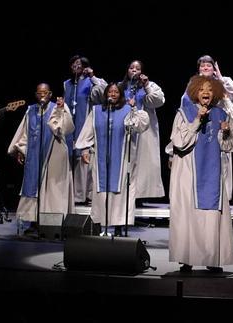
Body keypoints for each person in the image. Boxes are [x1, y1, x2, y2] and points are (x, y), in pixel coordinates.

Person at [168, 75, 233, 273]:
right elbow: (179, 141)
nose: (206, 93)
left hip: (213, 174)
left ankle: (212, 259)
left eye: (210, 89)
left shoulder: (221, 114)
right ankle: (187, 258)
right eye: (202, 89)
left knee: (212, 215)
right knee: (188, 214)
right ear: (195, 92)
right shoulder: (184, 113)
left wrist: (226, 132)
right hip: (188, 173)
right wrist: (197, 120)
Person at [75, 83, 149, 236]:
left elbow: (140, 126)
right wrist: (84, 149)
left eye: (116, 92)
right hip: (100, 159)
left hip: (122, 161)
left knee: (120, 193)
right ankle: (101, 224)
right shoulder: (96, 111)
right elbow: (88, 130)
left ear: (120, 94)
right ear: (106, 93)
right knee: (101, 192)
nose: (113, 94)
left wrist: (134, 109)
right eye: (110, 91)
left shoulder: (128, 110)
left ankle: (119, 226)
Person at [8, 83, 75, 229]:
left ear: (50, 94)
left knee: (51, 188)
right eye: (39, 93)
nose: (42, 95)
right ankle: (32, 221)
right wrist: (21, 149)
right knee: (33, 186)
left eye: (45, 92)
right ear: (36, 95)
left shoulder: (58, 106)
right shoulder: (31, 111)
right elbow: (25, 133)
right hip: (34, 157)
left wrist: (61, 110)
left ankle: (52, 223)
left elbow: (66, 128)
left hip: (54, 155)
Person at [179, 55, 233, 201]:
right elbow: (184, 105)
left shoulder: (222, 83)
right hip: (199, 128)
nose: (205, 67)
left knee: (219, 167)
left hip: (218, 129)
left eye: (209, 65)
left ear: (214, 68)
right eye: (202, 65)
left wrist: (220, 78)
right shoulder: (192, 85)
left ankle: (221, 200)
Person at [119, 60, 166, 206]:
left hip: (143, 132)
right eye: (131, 67)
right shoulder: (120, 87)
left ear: (142, 72)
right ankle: (122, 193)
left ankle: (138, 196)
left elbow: (157, 101)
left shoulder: (149, 86)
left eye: (138, 68)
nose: (134, 70)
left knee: (142, 163)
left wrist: (146, 86)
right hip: (123, 131)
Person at [63, 55, 107, 205]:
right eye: (73, 64)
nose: (76, 66)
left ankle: (84, 195)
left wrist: (92, 76)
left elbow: (104, 93)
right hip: (70, 126)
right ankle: (70, 194)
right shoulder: (67, 84)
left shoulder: (91, 82)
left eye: (79, 64)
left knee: (84, 159)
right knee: (70, 158)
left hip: (85, 123)